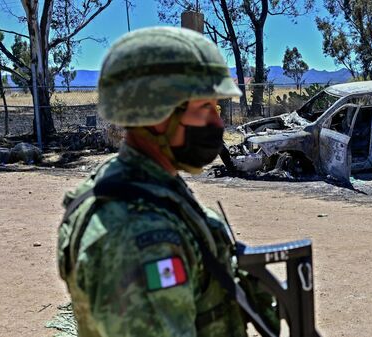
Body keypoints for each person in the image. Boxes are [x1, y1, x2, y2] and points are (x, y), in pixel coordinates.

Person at [57, 27, 277, 337]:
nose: (218, 123)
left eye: (216, 108)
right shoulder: (140, 236)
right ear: (158, 115)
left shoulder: (133, 186)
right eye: (204, 109)